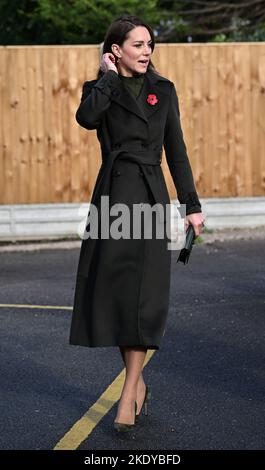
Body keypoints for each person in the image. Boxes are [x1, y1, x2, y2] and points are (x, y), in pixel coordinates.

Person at [69, 14, 205, 432]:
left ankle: (128, 394)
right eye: (138, 45)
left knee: (143, 297)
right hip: (113, 198)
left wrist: (191, 204)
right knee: (115, 293)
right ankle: (138, 382)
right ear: (116, 51)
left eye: (150, 45)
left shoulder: (163, 91)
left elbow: (176, 150)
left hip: (149, 197)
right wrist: (108, 80)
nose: (147, 51)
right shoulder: (100, 89)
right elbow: (87, 119)